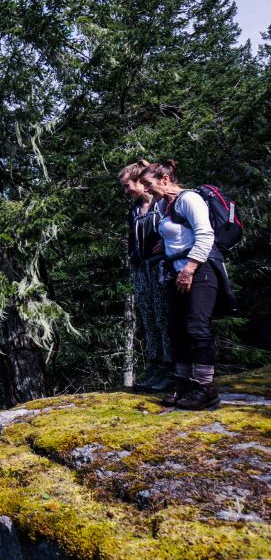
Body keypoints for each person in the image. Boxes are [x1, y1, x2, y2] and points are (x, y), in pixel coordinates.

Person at [140, 160, 224, 410]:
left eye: (149, 184)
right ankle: (184, 381)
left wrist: (189, 268)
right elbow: (178, 236)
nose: (146, 189)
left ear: (165, 180)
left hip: (200, 270)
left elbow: (205, 235)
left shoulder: (189, 199)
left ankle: (205, 387)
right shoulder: (166, 205)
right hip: (175, 272)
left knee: (197, 327)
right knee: (176, 328)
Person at [119, 160, 172, 391]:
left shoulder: (163, 204)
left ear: (142, 182)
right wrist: (134, 256)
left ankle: (171, 368)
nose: (126, 190)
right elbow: (133, 238)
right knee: (148, 319)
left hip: (162, 267)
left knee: (164, 318)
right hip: (143, 268)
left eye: (127, 185)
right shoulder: (134, 210)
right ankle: (155, 366)